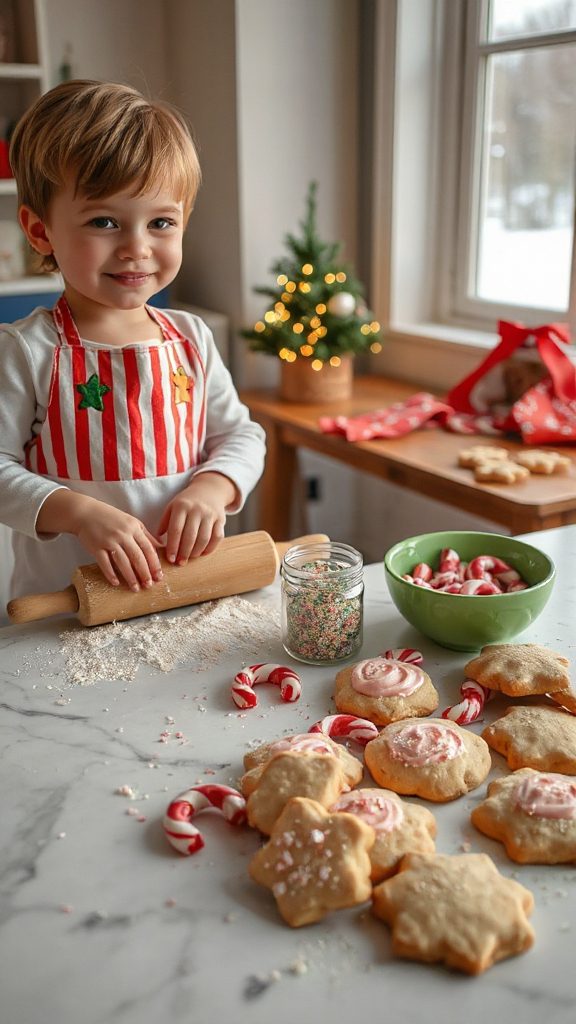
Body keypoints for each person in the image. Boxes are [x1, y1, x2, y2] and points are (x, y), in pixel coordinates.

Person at [0, 80, 266, 601]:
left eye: (161, 222)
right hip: (64, 611)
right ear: (39, 231)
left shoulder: (191, 339)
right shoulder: (28, 351)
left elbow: (242, 436)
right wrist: (77, 513)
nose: (137, 248)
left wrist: (214, 488)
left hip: (186, 596)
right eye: (104, 221)